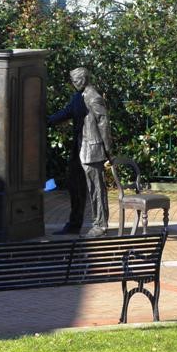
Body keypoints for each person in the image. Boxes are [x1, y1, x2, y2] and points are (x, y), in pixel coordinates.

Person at [49, 67, 112, 238]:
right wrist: (46, 120)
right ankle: (74, 223)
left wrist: (108, 151)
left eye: (77, 80)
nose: (74, 83)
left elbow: (103, 123)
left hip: (92, 149)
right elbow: (67, 112)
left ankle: (100, 225)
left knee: (96, 189)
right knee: (74, 186)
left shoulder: (94, 97)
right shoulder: (78, 96)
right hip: (79, 149)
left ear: (84, 79)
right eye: (73, 80)